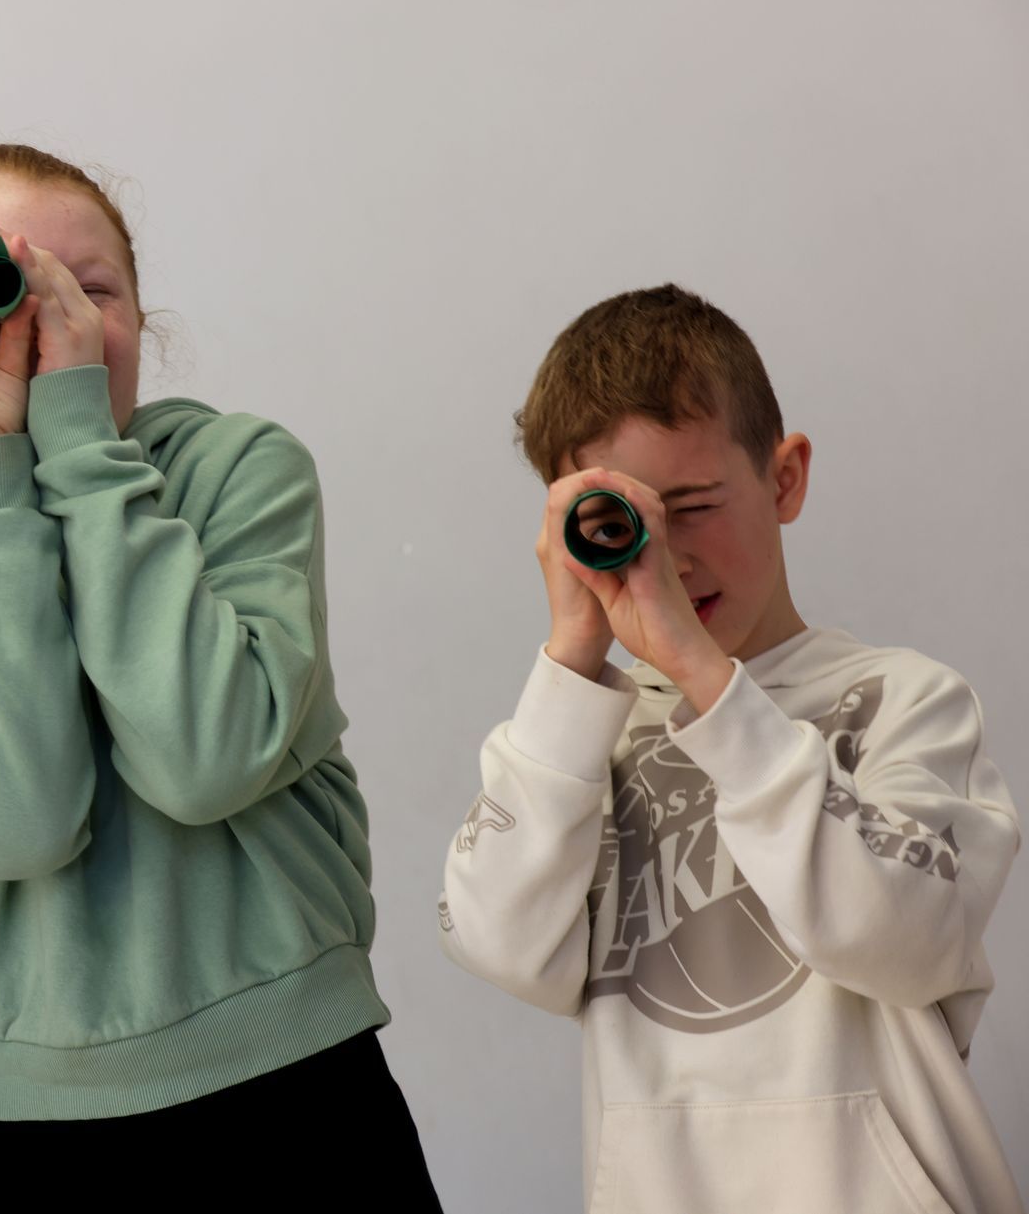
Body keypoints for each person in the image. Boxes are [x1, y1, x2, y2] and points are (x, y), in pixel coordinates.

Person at [0, 143, 440, 1210]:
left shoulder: (239, 469)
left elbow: (207, 757)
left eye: (90, 292)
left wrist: (78, 450)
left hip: (301, 1081)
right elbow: (15, 823)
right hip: (41, 1129)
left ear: (142, 321)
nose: (50, 325)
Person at [438, 284, 1022, 1213]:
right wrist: (573, 663)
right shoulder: (585, 733)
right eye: (623, 524)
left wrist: (709, 683)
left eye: (694, 506)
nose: (667, 559)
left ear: (783, 478)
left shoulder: (906, 699)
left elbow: (902, 939)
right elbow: (501, 944)